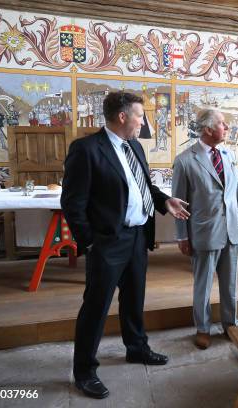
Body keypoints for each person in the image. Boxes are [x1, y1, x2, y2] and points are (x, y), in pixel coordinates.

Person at [61, 92, 190, 399]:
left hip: (136, 237)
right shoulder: (87, 149)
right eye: (139, 116)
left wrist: (164, 201)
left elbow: (144, 185)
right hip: (107, 242)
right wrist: (90, 242)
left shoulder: (134, 147)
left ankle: (137, 348)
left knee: (134, 299)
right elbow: (72, 202)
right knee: (96, 306)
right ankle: (84, 371)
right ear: (122, 117)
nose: (142, 122)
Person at [172, 108, 238, 351]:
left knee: (230, 283)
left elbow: (237, 193)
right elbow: (179, 204)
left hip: (232, 230)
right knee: (202, 285)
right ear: (208, 129)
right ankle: (203, 328)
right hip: (204, 232)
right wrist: (182, 235)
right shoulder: (185, 160)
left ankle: (230, 323)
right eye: (223, 124)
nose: (227, 127)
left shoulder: (229, 154)